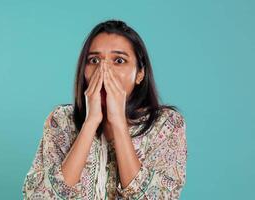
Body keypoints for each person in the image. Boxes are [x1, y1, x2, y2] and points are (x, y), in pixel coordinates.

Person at [22, 19, 187, 200]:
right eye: (94, 60)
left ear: (140, 73)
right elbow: (39, 197)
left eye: (119, 60)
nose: (103, 70)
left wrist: (117, 122)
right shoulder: (61, 121)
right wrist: (90, 123)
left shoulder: (167, 124)